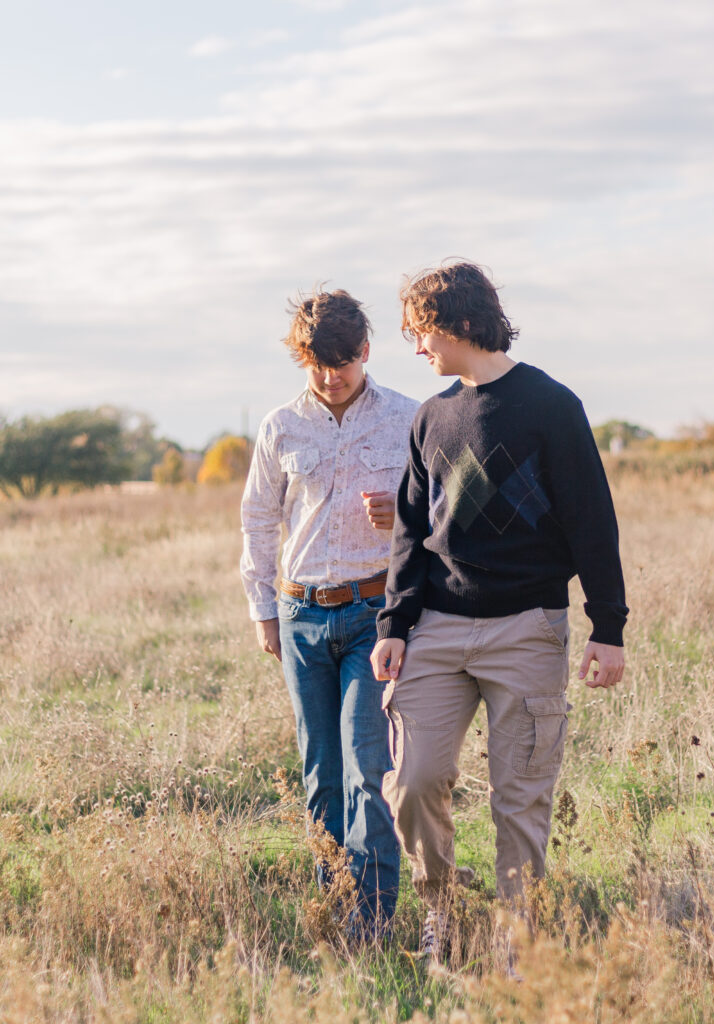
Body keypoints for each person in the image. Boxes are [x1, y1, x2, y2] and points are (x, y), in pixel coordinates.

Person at [370, 262, 628, 960]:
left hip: (527, 630)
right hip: (438, 632)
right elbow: (410, 531)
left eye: (420, 333)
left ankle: (521, 949)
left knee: (519, 802)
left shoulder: (550, 406)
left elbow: (591, 522)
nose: (417, 348)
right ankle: (442, 919)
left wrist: (609, 628)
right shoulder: (431, 417)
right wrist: (395, 624)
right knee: (413, 782)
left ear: (456, 324)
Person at [241, 288, 419, 937]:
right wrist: (264, 612)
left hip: (377, 613)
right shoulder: (280, 427)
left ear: (365, 351)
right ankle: (333, 906)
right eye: (316, 364)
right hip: (300, 616)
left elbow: (454, 514)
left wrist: (405, 515)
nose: (329, 376)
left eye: (342, 362)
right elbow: (258, 521)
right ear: (301, 360)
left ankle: (370, 921)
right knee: (321, 773)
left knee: (368, 768)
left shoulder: (409, 418)